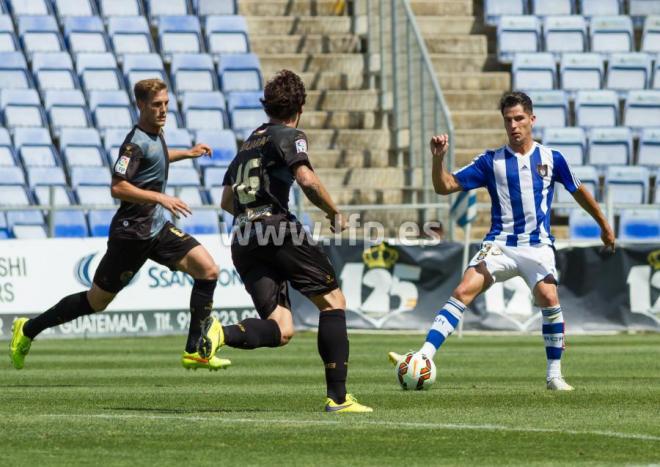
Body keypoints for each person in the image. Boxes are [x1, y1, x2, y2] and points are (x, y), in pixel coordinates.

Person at [389, 91, 616, 390]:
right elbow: (444, 186)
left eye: (519, 118)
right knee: (463, 289)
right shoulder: (490, 161)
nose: (514, 125)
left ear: (532, 120)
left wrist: (603, 224)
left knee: (549, 297)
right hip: (500, 244)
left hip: (537, 245)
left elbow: (578, 190)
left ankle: (554, 375)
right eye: (508, 120)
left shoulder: (552, 158)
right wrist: (438, 160)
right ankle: (425, 356)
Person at [10, 78, 230, 372]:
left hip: (156, 228)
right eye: (156, 105)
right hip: (131, 234)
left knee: (208, 270)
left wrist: (187, 153)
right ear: (140, 105)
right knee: (96, 302)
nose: (163, 110)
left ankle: (195, 350)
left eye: (166, 103)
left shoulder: (156, 133)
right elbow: (117, 186)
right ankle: (28, 329)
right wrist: (159, 197)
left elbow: (158, 158)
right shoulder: (133, 144)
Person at [197, 69, 372, 413]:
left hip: (243, 236)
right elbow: (306, 179)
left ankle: (221, 332)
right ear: (300, 107)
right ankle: (338, 399)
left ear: (268, 105)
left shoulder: (249, 143)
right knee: (333, 301)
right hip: (275, 229)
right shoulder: (289, 135)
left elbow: (226, 201)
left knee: (283, 328)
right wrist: (334, 212)